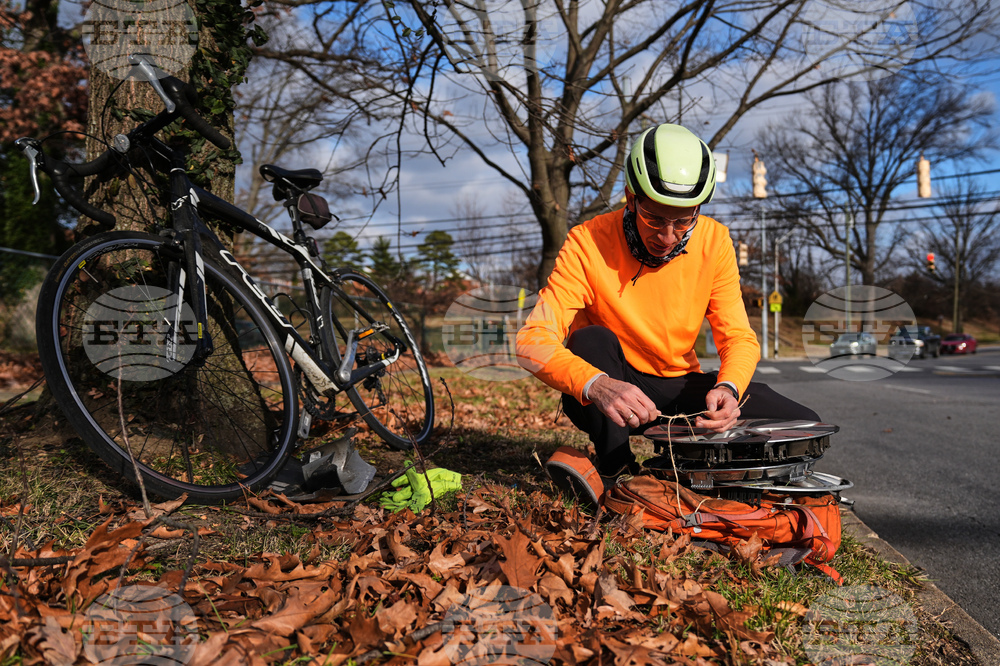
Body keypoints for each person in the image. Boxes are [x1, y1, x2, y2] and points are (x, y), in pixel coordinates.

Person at [516, 123, 818, 499]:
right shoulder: (586, 242)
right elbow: (532, 342)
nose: (668, 236)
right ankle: (616, 467)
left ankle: (701, 470)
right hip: (613, 382)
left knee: (804, 422)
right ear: (631, 197)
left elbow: (738, 336)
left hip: (677, 385)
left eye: (683, 220)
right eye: (654, 218)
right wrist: (598, 385)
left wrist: (728, 386)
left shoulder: (715, 241)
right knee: (589, 339)